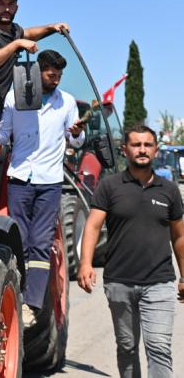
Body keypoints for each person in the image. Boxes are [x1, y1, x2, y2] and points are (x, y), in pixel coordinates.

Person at [0, 49, 85, 325]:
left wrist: (77, 134)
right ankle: (17, 293)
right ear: (38, 72)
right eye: (51, 75)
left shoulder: (67, 103)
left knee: (41, 243)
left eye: (59, 75)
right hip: (20, 178)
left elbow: (76, 143)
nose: (56, 80)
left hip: (49, 183)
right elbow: (2, 136)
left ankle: (31, 304)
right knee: (20, 239)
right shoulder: (15, 97)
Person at [78, 125, 184, 378]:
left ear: (156, 150)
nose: (142, 150)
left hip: (159, 282)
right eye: (136, 145)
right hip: (119, 282)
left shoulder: (169, 190)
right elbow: (92, 226)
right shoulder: (109, 186)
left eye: (147, 145)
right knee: (126, 347)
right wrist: (85, 263)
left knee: (158, 347)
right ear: (125, 150)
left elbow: (179, 236)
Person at [0, 0, 70, 121]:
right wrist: (17, 43)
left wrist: (52, 27)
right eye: (1, 3)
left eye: (11, 4)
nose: (6, 8)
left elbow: (29, 33)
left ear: (16, 8)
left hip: (3, 107)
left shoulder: (15, 31)